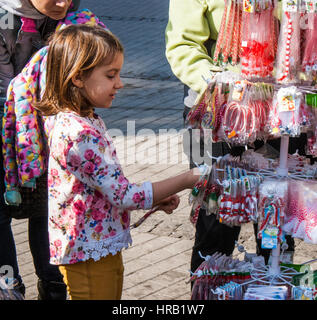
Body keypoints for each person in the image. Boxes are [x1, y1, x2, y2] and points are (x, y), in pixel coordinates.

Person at [34, 24, 200, 300]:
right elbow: (123, 195)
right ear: (77, 77)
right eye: (111, 75)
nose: (120, 84)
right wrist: (186, 179)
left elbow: (103, 187)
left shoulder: (82, 119)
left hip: (95, 246)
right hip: (88, 253)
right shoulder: (78, 133)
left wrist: (156, 196)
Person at [165, 0, 302, 278]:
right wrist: (226, 87)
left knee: (275, 231)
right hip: (218, 115)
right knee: (216, 228)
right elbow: (183, 46)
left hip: (281, 113)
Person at [0, 0, 80, 299]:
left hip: (51, 124)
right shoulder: (3, 19)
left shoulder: (70, 12)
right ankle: (9, 289)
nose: (64, 2)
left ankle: (54, 286)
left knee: (49, 207)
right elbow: (4, 89)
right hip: (10, 125)